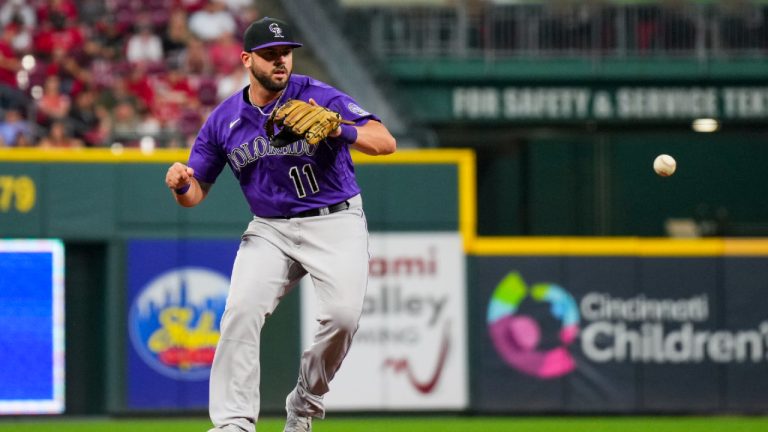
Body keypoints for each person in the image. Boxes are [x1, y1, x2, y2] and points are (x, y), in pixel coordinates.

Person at [163, 17, 396, 432]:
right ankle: (233, 422)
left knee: (342, 318)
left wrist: (339, 128)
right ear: (247, 59)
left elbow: (384, 141)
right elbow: (195, 193)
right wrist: (183, 184)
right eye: (269, 55)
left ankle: (304, 405)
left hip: (335, 219)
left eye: (284, 54)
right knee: (240, 310)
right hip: (271, 228)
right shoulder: (223, 120)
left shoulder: (317, 96)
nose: (279, 62)